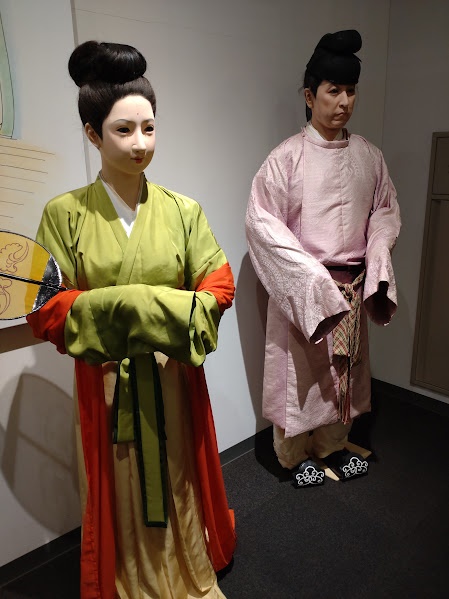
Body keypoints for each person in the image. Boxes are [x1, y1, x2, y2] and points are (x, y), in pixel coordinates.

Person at [26, 41, 235, 599]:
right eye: (123, 130)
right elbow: (45, 307)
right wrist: (147, 307)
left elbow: (219, 285)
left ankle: (186, 572)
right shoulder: (63, 214)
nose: (141, 143)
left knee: (178, 475)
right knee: (117, 486)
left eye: (149, 127)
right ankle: (129, 581)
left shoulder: (183, 210)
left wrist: (131, 306)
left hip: (172, 377)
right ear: (92, 134)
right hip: (107, 384)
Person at [245, 30, 401, 487]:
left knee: (344, 374)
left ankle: (333, 445)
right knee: (301, 377)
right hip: (304, 289)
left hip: (351, 286)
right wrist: (309, 277)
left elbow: (385, 212)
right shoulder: (286, 159)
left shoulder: (370, 156)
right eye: (334, 91)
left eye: (351, 91)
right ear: (310, 96)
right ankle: (292, 455)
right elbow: (261, 224)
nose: (344, 102)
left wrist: (377, 253)